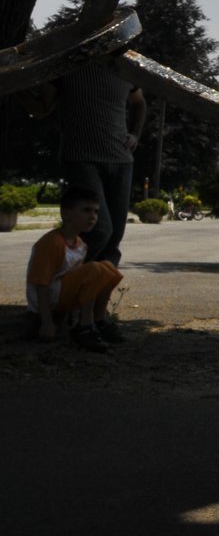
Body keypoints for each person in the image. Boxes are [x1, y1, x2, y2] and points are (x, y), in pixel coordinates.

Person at [26, 59, 145, 276]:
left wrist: (135, 133)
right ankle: (61, 284)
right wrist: (15, 85)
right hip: (82, 156)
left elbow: (138, 102)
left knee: (114, 237)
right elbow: (42, 107)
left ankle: (94, 302)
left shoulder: (125, 67)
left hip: (121, 159)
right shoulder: (67, 65)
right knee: (99, 230)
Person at [25, 184, 126, 352]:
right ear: (66, 213)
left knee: (109, 269)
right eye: (86, 210)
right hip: (47, 301)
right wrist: (47, 322)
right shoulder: (52, 242)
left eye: (96, 211)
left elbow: (82, 283)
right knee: (94, 268)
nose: (92, 217)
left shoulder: (81, 245)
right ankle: (84, 326)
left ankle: (99, 319)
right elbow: (40, 285)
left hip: (62, 296)